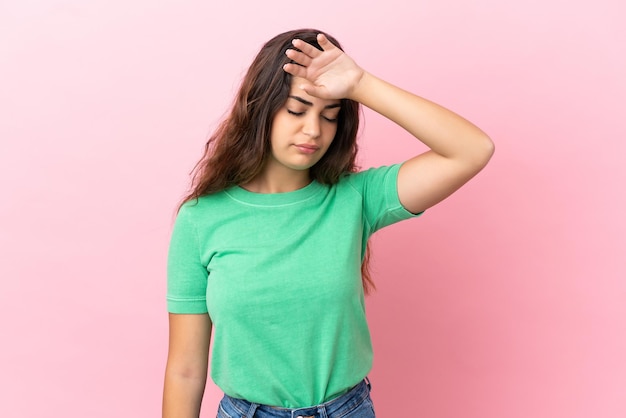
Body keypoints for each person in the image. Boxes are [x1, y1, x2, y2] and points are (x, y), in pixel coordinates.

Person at [162, 28, 494, 418]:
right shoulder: (202, 219)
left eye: (330, 115)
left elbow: (472, 150)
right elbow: (185, 370)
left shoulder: (355, 198)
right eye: (297, 110)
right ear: (260, 108)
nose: (314, 131)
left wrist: (360, 84)